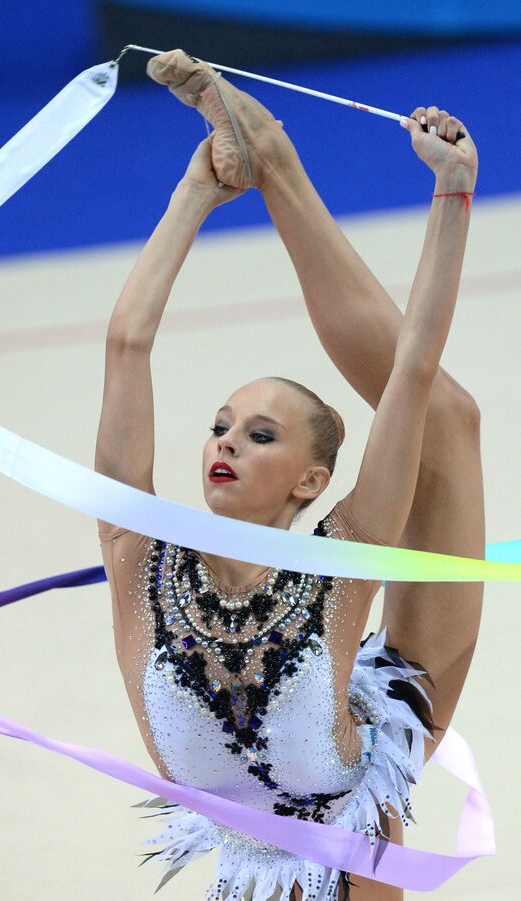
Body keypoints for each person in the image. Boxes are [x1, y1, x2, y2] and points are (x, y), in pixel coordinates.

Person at [94, 50, 482, 901]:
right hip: (281, 846)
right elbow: (125, 344)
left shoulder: (341, 555)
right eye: (221, 426)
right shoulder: (138, 555)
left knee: (443, 420)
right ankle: (267, 158)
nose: (225, 442)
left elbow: (413, 370)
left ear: (309, 480)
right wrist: (192, 193)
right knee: (447, 422)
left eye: (259, 434)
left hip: (356, 791)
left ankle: (274, 158)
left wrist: (453, 193)